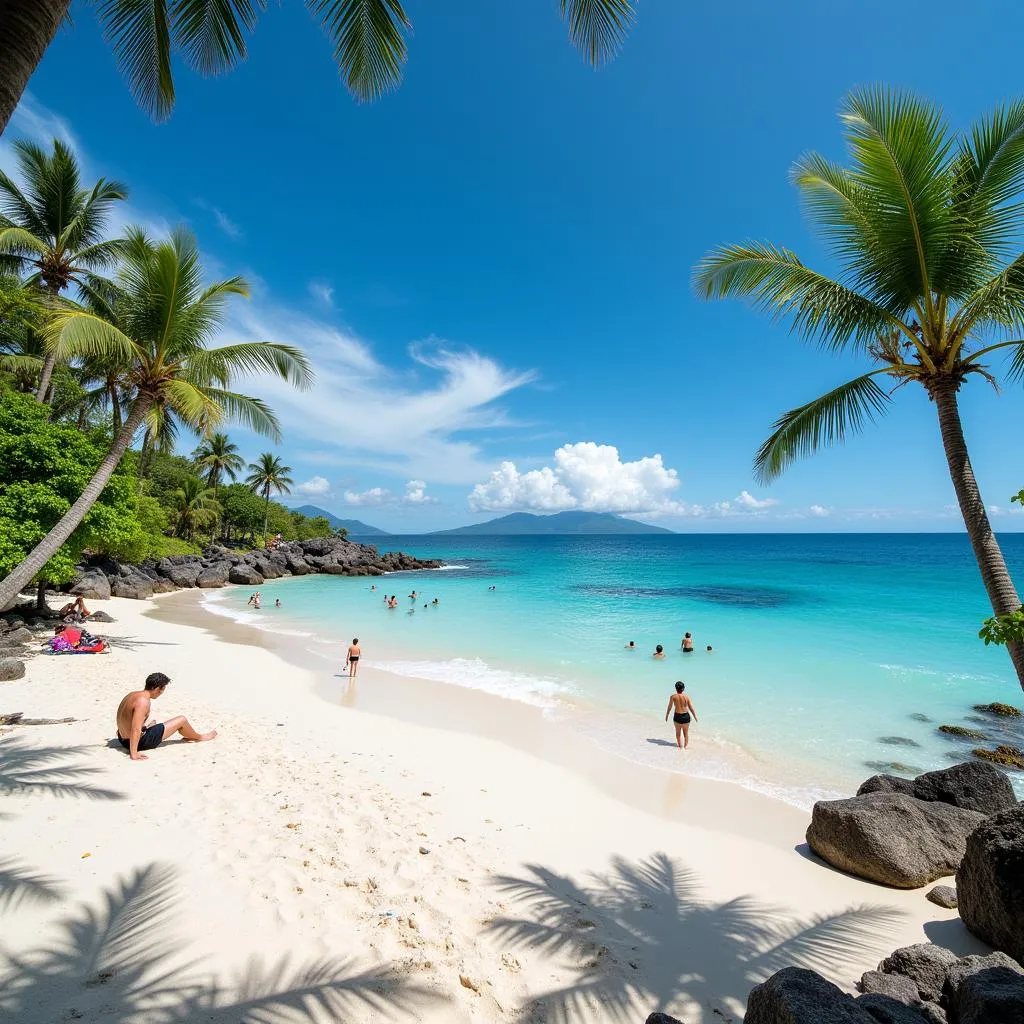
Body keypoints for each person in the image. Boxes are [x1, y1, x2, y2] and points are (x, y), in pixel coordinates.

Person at [115, 672, 216, 761]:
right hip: (136, 743)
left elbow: (123, 717)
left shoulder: (133, 694)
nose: (161, 693)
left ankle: (189, 734)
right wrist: (134, 753)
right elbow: (135, 729)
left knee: (155, 720)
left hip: (121, 738)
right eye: (162, 690)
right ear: (157, 688)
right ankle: (200, 737)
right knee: (182, 720)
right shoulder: (143, 702)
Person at [665, 681, 698, 749]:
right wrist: (695, 717)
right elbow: (691, 708)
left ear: (675, 688)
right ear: (683, 689)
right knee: (685, 734)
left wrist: (667, 715)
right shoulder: (686, 697)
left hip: (677, 717)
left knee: (678, 733)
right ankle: (685, 747)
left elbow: (669, 707)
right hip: (686, 717)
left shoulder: (673, 697)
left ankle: (680, 747)